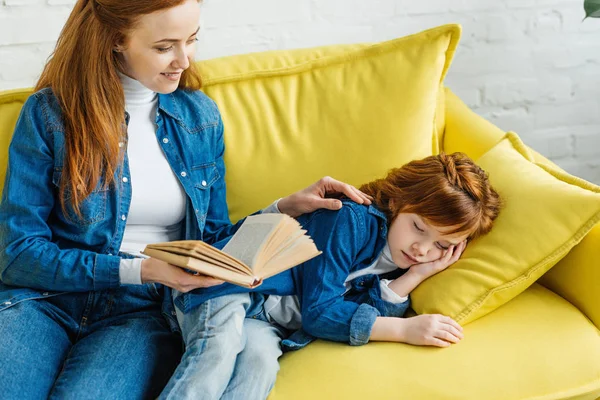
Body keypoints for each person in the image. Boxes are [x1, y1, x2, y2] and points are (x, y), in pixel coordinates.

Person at [0, 0, 372, 399]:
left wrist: (281, 209)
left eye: (191, 40)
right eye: (164, 47)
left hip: (142, 313)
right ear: (114, 40)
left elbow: (210, 240)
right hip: (44, 301)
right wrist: (144, 268)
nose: (183, 60)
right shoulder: (50, 115)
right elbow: (18, 255)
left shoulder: (200, 118)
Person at [161, 152, 502, 400]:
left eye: (442, 245)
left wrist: (414, 277)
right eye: (418, 228)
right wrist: (403, 329)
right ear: (399, 201)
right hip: (226, 285)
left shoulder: (405, 261)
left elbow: (366, 310)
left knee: (259, 367)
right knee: (220, 348)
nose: (422, 249)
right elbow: (320, 314)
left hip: (266, 321)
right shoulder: (348, 221)